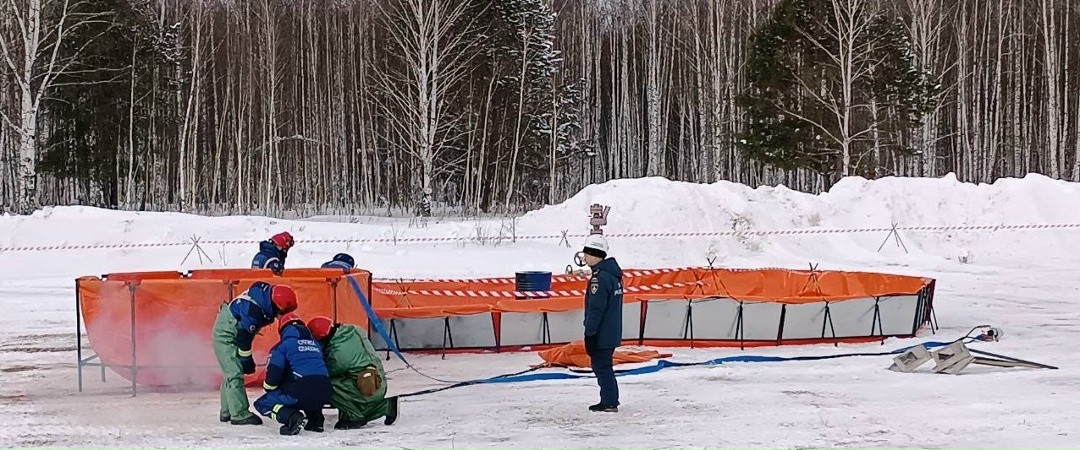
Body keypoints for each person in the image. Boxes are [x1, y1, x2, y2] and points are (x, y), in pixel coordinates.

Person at [212, 281, 298, 425]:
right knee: (234, 373)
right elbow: (243, 339)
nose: (279, 316)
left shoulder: (264, 293)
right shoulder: (255, 312)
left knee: (230, 371)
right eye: (281, 312)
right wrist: (247, 360)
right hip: (226, 334)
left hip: (229, 324)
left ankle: (227, 411)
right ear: (277, 306)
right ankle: (239, 414)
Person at [306, 316, 399, 429]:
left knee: (327, 384)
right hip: (377, 380)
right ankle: (387, 407)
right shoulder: (353, 330)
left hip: (368, 387)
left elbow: (327, 372)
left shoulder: (338, 352)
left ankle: (354, 417)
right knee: (346, 379)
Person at [253, 312, 333, 435]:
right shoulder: (316, 344)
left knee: (262, 403)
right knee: (310, 389)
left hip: (299, 391)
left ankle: (291, 417)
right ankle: (316, 421)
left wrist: (269, 388)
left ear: (282, 329)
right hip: (325, 392)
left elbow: (274, 374)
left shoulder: (282, 346)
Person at [580, 234, 624, 412]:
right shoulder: (613, 275)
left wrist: (590, 334)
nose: (585, 258)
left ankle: (609, 401)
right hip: (611, 331)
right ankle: (609, 399)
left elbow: (595, 310)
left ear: (596, 254)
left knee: (601, 367)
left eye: (587, 254)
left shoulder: (599, 279)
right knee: (605, 366)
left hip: (601, 333)